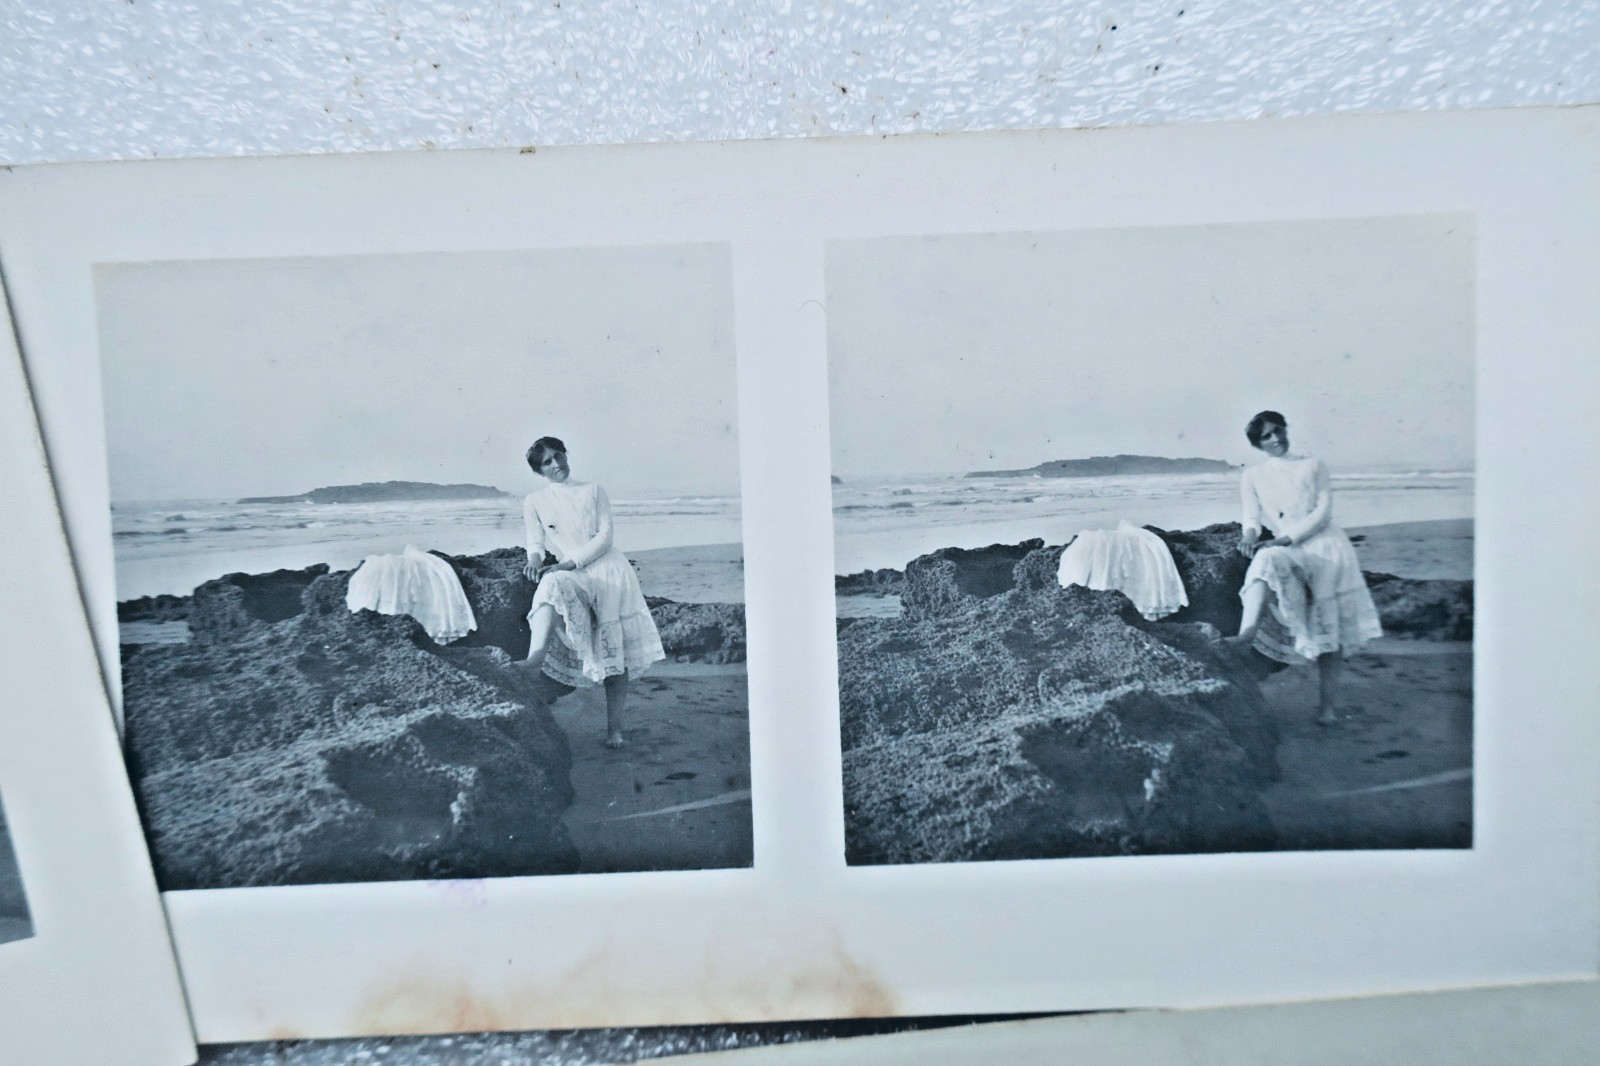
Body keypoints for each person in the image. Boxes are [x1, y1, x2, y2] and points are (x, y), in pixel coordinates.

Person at [1229, 411, 1382, 724]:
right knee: (1264, 560)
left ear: (1285, 429)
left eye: (1278, 430)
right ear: (1258, 444)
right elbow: (1252, 517)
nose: (1276, 438)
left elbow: (1322, 514)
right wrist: (1249, 536)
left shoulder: (1313, 464)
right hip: (1290, 548)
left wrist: (1284, 539)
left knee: (1330, 632)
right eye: (1267, 436)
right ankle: (1246, 635)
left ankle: (1327, 709)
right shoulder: (1253, 475)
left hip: (1328, 548)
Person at [517, 436, 664, 747]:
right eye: (547, 462)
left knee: (614, 652)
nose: (556, 464)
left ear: (565, 455)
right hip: (574, 574)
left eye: (558, 456)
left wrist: (567, 563)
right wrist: (534, 561)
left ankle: (615, 731)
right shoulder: (535, 501)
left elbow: (605, 537)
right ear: (539, 470)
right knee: (550, 584)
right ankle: (534, 661)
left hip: (610, 572)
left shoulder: (594, 490)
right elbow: (535, 542)